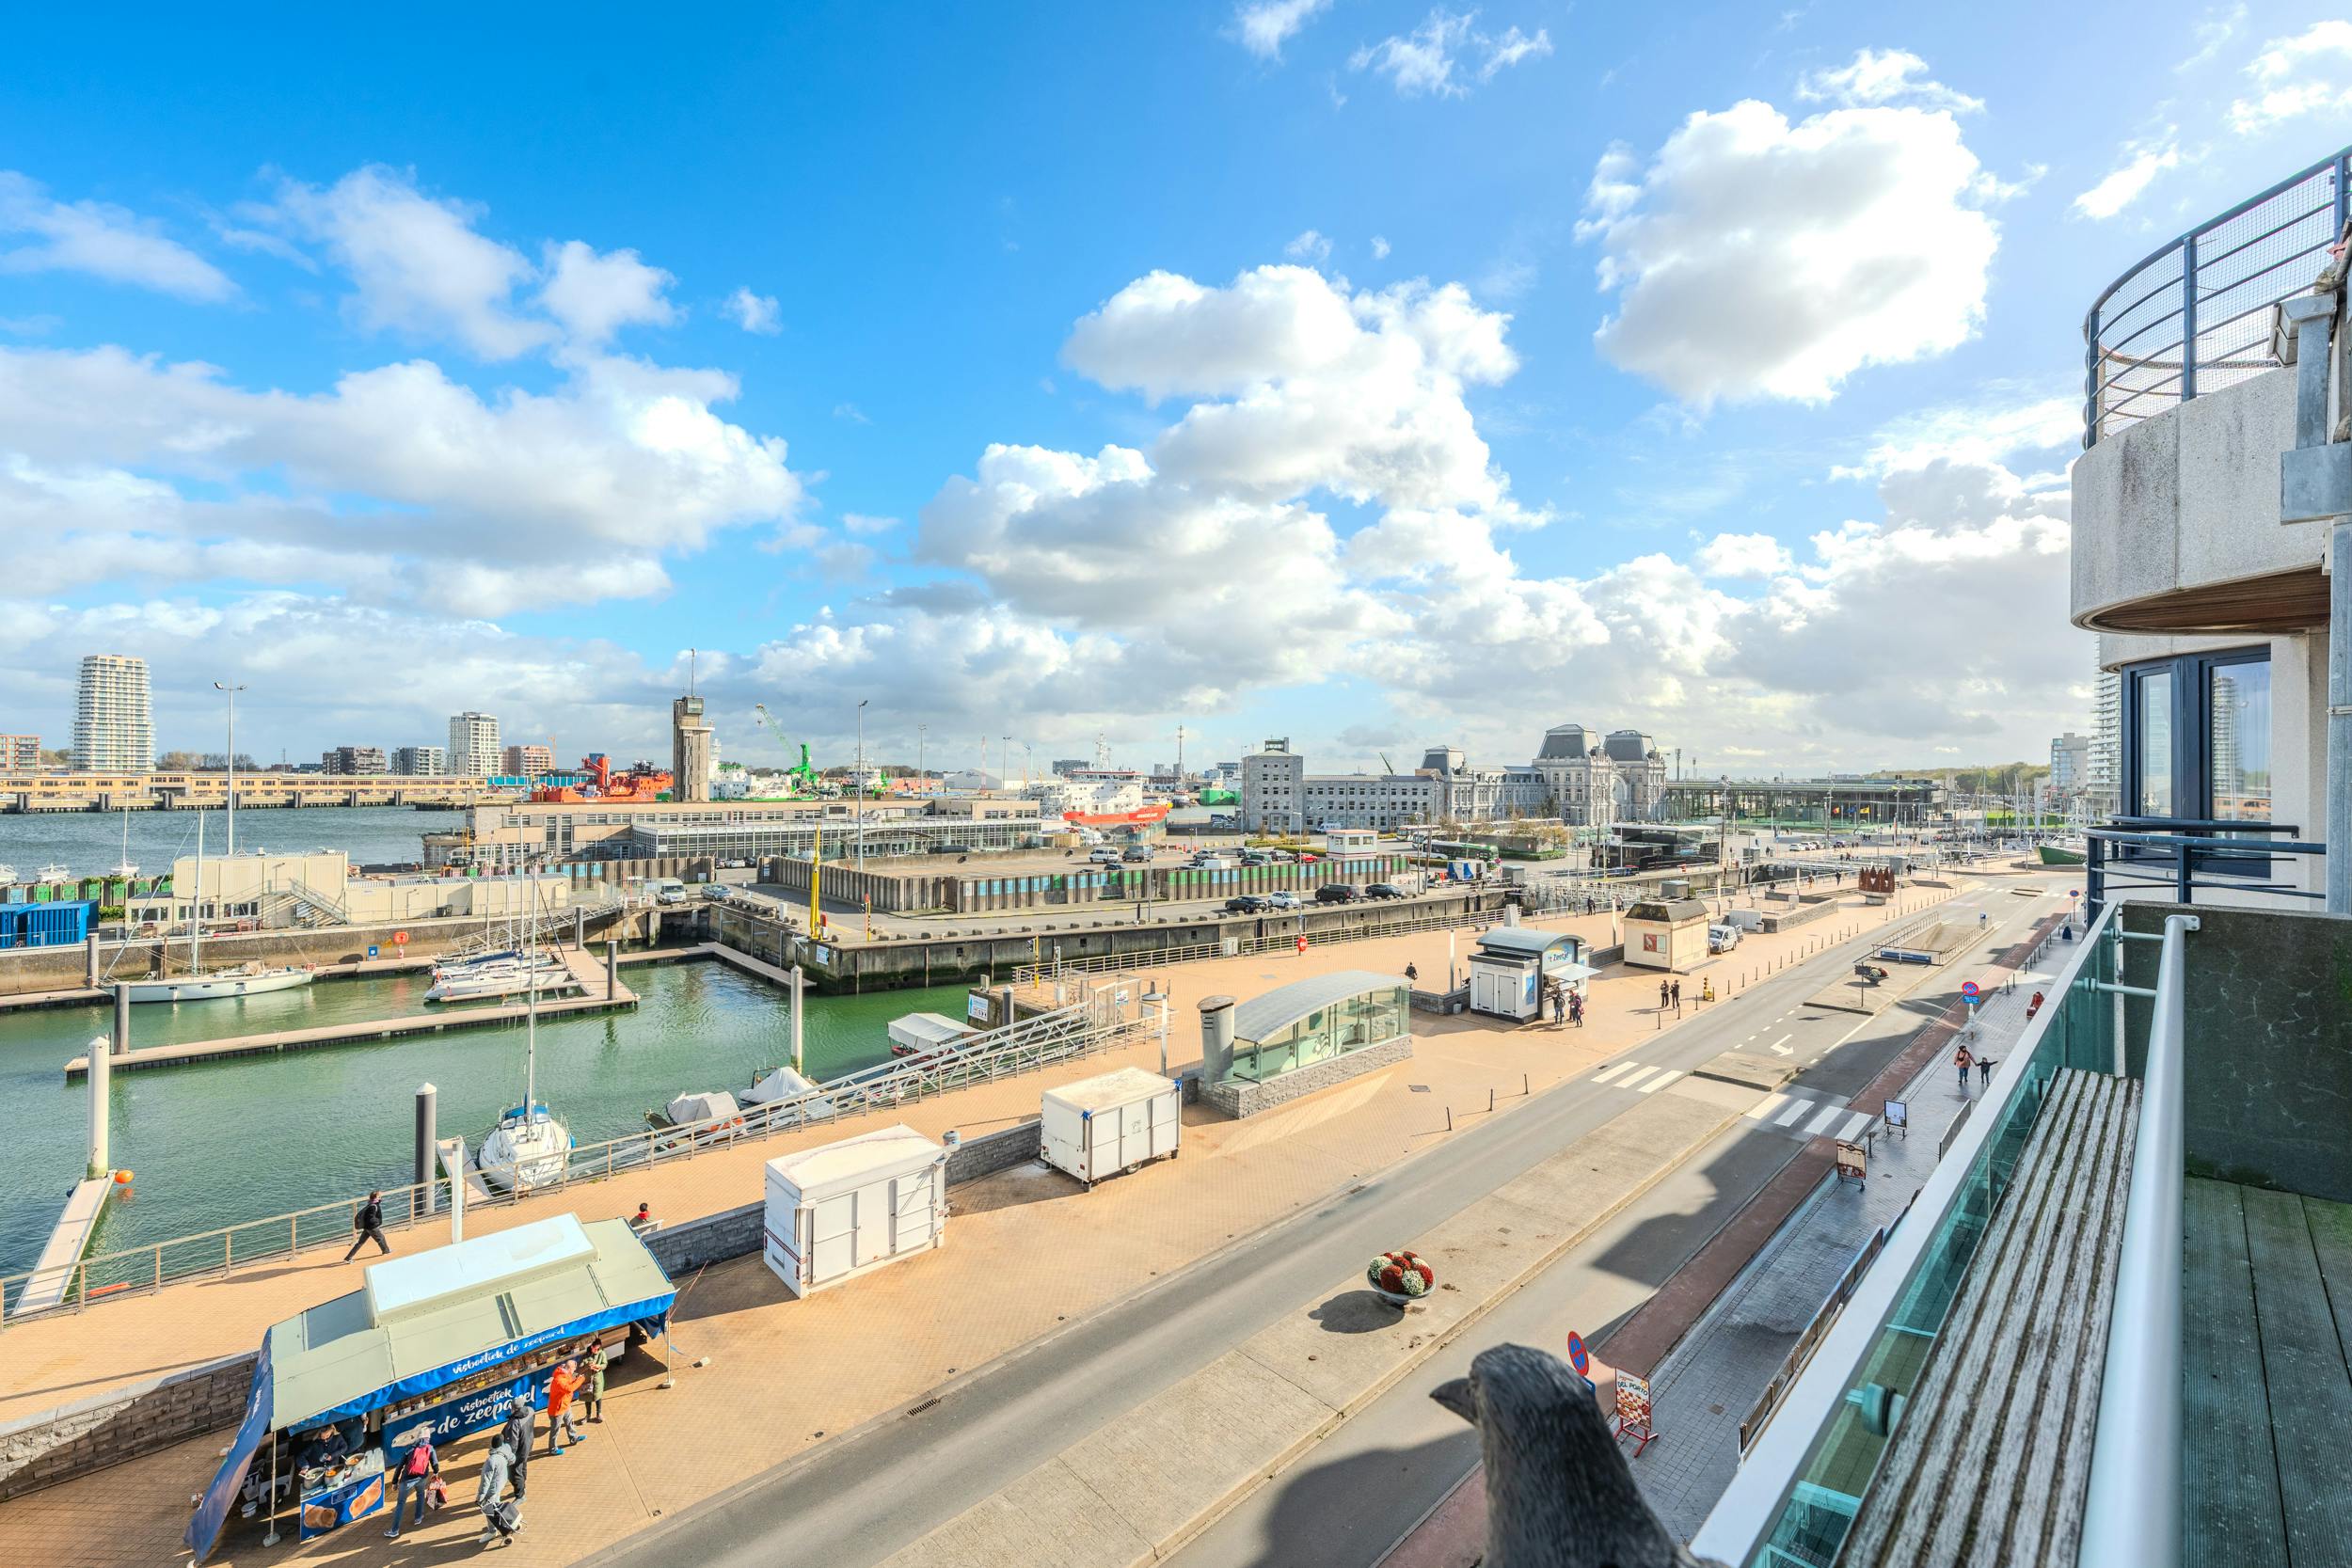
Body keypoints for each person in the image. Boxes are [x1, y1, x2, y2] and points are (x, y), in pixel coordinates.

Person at [385, 1429, 438, 1540]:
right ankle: (418, 1517)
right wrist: (436, 1473)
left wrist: (394, 1482)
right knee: (420, 1495)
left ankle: (394, 1530)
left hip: (407, 1480)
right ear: (428, 1438)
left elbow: (399, 1467)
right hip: (422, 1477)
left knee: (400, 1504)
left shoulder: (410, 1449)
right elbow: (435, 1464)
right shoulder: (430, 1448)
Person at [477, 1436, 521, 1546]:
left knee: (489, 1510)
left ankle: (493, 1531)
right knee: (497, 1506)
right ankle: (510, 1521)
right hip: (501, 1483)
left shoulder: (491, 1460)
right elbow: (512, 1459)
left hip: (491, 1489)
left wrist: (480, 1497)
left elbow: (485, 1481)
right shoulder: (506, 1449)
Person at [546, 1359, 588, 1455]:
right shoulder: (559, 1380)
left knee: (570, 1422)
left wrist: (582, 1372)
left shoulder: (566, 1373)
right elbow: (569, 1388)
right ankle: (552, 1449)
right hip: (557, 1409)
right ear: (569, 1368)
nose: (574, 1371)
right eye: (573, 1369)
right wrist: (581, 1379)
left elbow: (572, 1379)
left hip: (565, 1404)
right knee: (555, 1430)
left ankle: (573, 1438)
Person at [499, 1399, 534, 1502]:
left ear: (513, 1408)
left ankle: (520, 1495)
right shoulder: (530, 1410)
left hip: (519, 1451)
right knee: (523, 1466)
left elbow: (512, 1444)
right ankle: (523, 1487)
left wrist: (509, 1457)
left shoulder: (514, 1423)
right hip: (528, 1444)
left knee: (514, 1473)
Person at [344, 1190, 389, 1261]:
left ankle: (348, 1257)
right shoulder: (373, 1206)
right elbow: (370, 1219)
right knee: (381, 1238)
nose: (381, 1197)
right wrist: (377, 1223)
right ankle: (386, 1251)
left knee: (360, 1243)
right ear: (376, 1197)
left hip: (367, 1228)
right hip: (372, 1228)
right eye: (379, 1196)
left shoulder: (370, 1204)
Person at [585, 1343, 610, 1424]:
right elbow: (581, 1365)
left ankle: (599, 1413)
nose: (597, 1351)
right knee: (587, 1397)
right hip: (587, 1379)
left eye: (598, 1349)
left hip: (597, 1378)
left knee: (598, 1396)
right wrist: (588, 1366)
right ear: (591, 1347)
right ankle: (588, 1415)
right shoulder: (586, 1353)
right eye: (595, 1349)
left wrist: (599, 1367)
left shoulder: (602, 1353)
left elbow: (605, 1364)